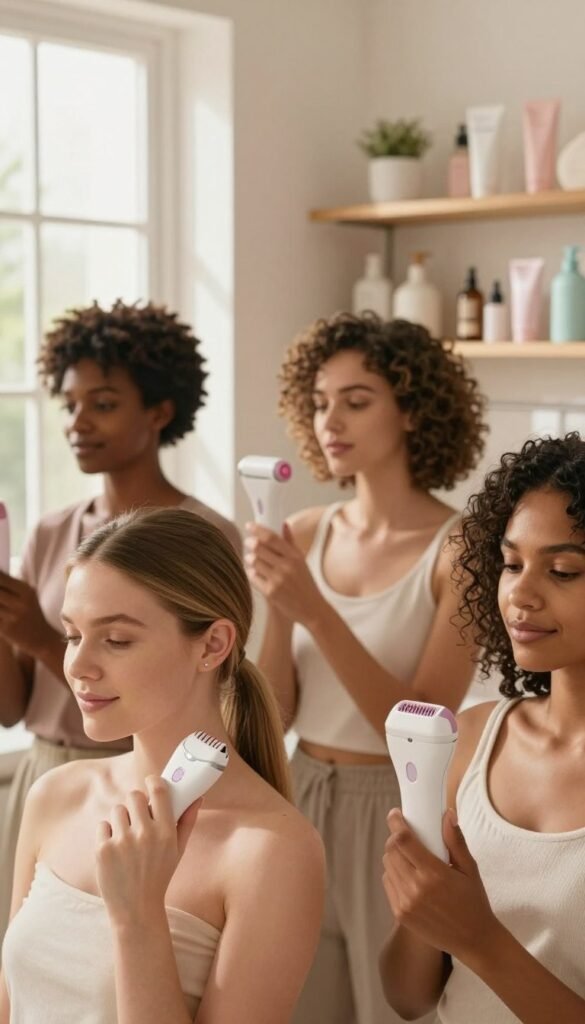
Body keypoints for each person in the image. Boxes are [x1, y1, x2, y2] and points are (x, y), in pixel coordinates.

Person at [244, 312, 486, 1024]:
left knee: (392, 1011)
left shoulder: (460, 549)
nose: (329, 421)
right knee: (295, 1006)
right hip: (297, 790)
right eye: (319, 403)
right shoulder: (305, 532)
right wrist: (282, 605)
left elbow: (419, 727)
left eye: (356, 400)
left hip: (397, 808)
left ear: (411, 410)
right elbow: (276, 713)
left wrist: (313, 608)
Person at [0, 508, 325, 1023]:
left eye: (117, 640)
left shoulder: (273, 852)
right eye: (71, 635)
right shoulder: (57, 795)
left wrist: (138, 917)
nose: (79, 666)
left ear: (213, 645)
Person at [0, 300, 241, 942]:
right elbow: (10, 707)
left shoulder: (204, 538)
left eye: (102, 404)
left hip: (158, 780)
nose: (78, 422)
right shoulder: (52, 532)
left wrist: (45, 639)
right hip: (47, 774)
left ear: (160, 412)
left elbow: (202, 693)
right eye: (70, 404)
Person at [380, 433, 585, 1024]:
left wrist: (479, 939)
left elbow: (476, 949)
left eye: (564, 570)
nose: (520, 593)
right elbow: (408, 997)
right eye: (512, 563)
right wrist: (421, 908)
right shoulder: (469, 741)